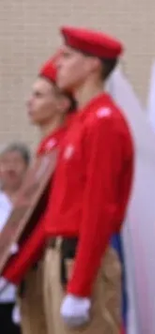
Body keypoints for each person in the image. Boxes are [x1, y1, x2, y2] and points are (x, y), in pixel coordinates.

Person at [3, 28, 134, 334]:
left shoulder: (104, 121)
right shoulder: (83, 122)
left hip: (77, 259)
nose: (58, 64)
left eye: (67, 56)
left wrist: (80, 287)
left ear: (92, 65)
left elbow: (98, 207)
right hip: (60, 257)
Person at [8, 56, 76, 334]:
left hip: (46, 262)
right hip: (33, 267)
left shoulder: (62, 147)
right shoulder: (47, 148)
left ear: (61, 103)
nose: (29, 101)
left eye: (38, 95)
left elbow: (48, 218)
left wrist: (12, 270)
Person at [0, 142, 31, 334]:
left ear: (28, 167)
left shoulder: (34, 201)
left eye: (16, 162)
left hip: (27, 293)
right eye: (5, 162)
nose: (10, 167)